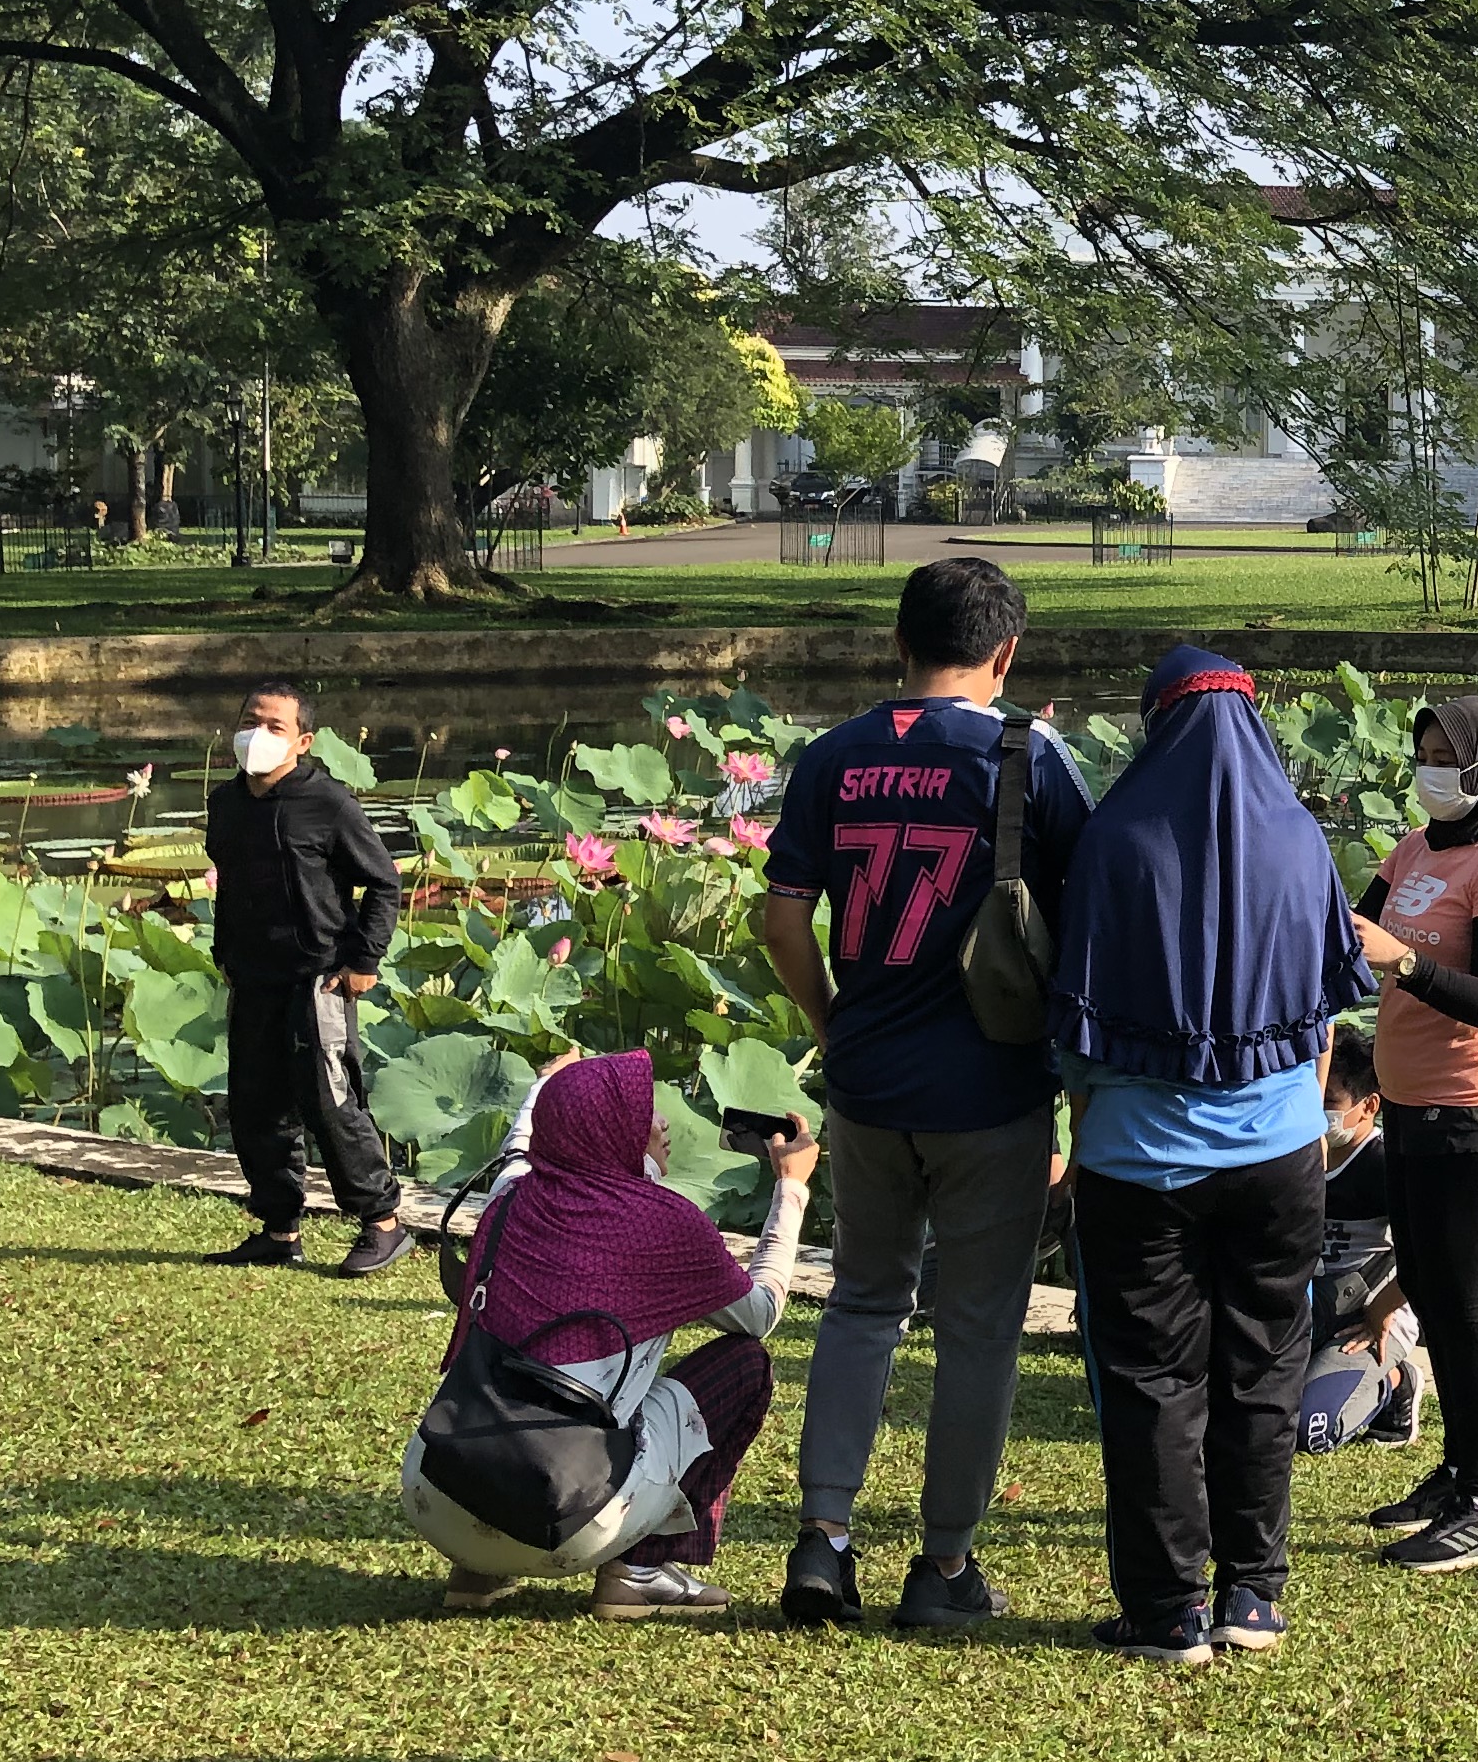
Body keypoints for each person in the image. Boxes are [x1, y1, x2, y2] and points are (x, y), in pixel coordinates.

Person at [755, 556, 1093, 1634]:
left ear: (896, 645)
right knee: (979, 1326)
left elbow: (779, 920)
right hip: (992, 1090)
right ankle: (943, 1564)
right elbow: (1087, 925)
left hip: (866, 1085)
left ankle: (824, 1542)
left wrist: (829, 1024)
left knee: (862, 1302)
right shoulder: (1031, 757)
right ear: (1006, 655)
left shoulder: (833, 756)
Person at [1048, 645, 1370, 1665]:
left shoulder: (1115, 840)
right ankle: (1254, 1595)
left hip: (1139, 1165)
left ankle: (1164, 1610)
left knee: (1151, 1382)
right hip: (1280, 1161)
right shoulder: (1300, 840)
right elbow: (1328, 1006)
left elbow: (1075, 1028)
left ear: (1157, 726)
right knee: (1265, 1369)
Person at [402, 1050, 818, 1617]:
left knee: (519, 1377)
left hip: (438, 1492)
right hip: (566, 1519)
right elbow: (761, 1312)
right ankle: (640, 1570)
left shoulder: (510, 1195)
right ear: (613, 1130)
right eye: (644, 1112)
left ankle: (478, 1569)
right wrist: (791, 1189)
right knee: (745, 1366)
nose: (664, 1122)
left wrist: (544, 1087)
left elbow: (522, 1141)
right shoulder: (663, 1223)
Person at [1345, 694, 1478, 1571]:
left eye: (1449, 755)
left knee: (1463, 1305)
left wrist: (1405, 961)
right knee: (1425, 1286)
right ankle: (1456, 1471)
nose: (1432, 767)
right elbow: (1348, 937)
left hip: (1476, 1113)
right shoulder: (1415, 847)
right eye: (1422, 749)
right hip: (1409, 1102)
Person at [203, 680, 412, 1277]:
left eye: (274, 726)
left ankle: (383, 1225)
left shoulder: (331, 803)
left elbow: (384, 883)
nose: (258, 735)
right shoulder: (226, 803)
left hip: (318, 979)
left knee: (331, 1103)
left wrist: (364, 960)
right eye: (251, 721)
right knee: (255, 1107)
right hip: (252, 977)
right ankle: (279, 1229)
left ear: (303, 740)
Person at [1294, 1027, 1428, 1456]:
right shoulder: (1291, 1152)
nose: (1317, 1110)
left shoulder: (1387, 1166)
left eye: (1329, 1101)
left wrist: (1383, 1308)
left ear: (1369, 1105)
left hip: (1371, 1319)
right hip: (1299, 1310)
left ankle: (1398, 1382)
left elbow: (1432, 1253)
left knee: (1310, 1431)